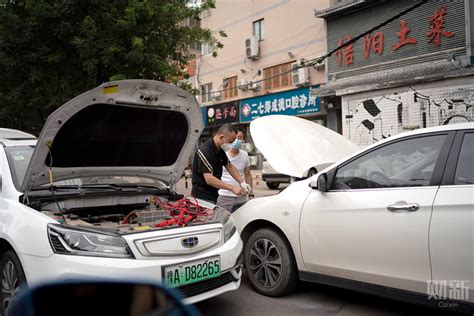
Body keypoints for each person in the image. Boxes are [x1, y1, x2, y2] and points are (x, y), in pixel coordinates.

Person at [191, 124, 251, 204]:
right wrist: (232, 188)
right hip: (202, 197)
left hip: (213, 194)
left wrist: (242, 182)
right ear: (221, 137)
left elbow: (229, 166)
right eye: (230, 142)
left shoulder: (220, 150)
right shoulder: (205, 151)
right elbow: (209, 179)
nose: (231, 145)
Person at [217, 129, 253, 212]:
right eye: (236, 138)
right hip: (225, 195)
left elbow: (248, 175)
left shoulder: (245, 155)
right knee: (224, 220)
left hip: (242, 196)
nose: (238, 141)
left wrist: (250, 194)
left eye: (240, 138)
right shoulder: (223, 154)